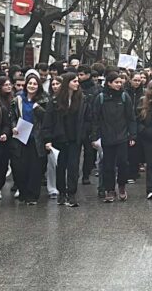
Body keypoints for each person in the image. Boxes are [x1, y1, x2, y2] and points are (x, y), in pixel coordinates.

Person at [43, 73, 89, 207]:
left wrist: (84, 133)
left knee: (74, 167)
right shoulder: (55, 101)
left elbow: (87, 118)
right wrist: (48, 138)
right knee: (61, 166)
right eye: (74, 81)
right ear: (67, 82)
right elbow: (48, 121)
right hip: (59, 138)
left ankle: (72, 193)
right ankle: (62, 192)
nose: (77, 83)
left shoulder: (82, 100)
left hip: (75, 138)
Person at [91, 70, 137, 202]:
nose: (119, 84)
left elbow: (131, 117)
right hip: (106, 136)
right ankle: (109, 190)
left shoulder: (124, 97)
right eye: (116, 82)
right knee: (107, 165)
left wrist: (132, 135)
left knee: (123, 163)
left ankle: (121, 186)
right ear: (109, 83)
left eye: (120, 82)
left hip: (122, 136)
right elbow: (95, 119)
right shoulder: (100, 98)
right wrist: (95, 137)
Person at [11, 71, 48, 205]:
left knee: (35, 167)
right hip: (21, 136)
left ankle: (33, 195)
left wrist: (38, 109)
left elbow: (48, 119)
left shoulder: (44, 100)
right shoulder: (17, 99)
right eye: (30, 83)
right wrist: (13, 127)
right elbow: (12, 117)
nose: (32, 86)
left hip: (36, 138)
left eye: (35, 84)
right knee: (20, 167)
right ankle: (23, 192)